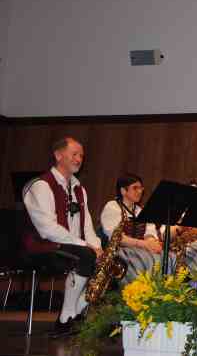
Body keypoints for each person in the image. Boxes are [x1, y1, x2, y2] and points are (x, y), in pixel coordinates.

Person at [22, 137, 102, 336]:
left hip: (72, 246)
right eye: (74, 154)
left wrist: (98, 247)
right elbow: (47, 229)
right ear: (58, 155)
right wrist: (85, 246)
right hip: (42, 247)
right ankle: (66, 318)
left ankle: (75, 314)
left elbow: (87, 225)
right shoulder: (41, 185)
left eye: (81, 155)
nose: (79, 159)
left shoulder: (79, 189)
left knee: (107, 263)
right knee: (85, 256)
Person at [100, 174, 165, 286]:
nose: (139, 191)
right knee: (145, 259)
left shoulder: (140, 211)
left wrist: (151, 242)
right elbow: (117, 238)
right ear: (123, 191)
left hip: (138, 250)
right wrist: (144, 244)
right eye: (135, 188)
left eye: (141, 188)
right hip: (118, 253)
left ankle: (156, 289)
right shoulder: (112, 207)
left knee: (164, 256)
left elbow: (149, 232)